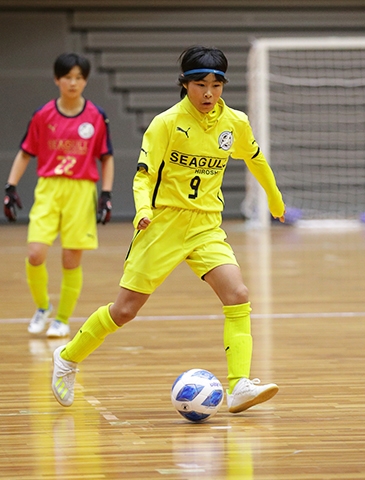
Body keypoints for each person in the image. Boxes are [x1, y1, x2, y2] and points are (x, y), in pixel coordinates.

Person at [50, 45, 285, 414]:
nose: (209, 93)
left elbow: (256, 159)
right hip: (162, 225)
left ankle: (239, 385)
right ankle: (66, 358)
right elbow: (143, 176)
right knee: (125, 311)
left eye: (216, 84)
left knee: (237, 294)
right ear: (185, 84)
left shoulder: (234, 122)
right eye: (200, 84)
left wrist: (275, 200)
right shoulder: (166, 123)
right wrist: (143, 210)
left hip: (206, 225)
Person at [4, 52, 114, 339]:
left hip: (81, 190)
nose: (73, 83)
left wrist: (106, 193)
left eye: (79, 77)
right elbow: (26, 152)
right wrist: (10, 186)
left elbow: (106, 157)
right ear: (57, 79)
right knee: (35, 253)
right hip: (50, 188)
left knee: (70, 258)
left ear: (85, 81)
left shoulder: (96, 116)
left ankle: (62, 319)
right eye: (67, 77)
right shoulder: (43, 115)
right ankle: (43, 307)